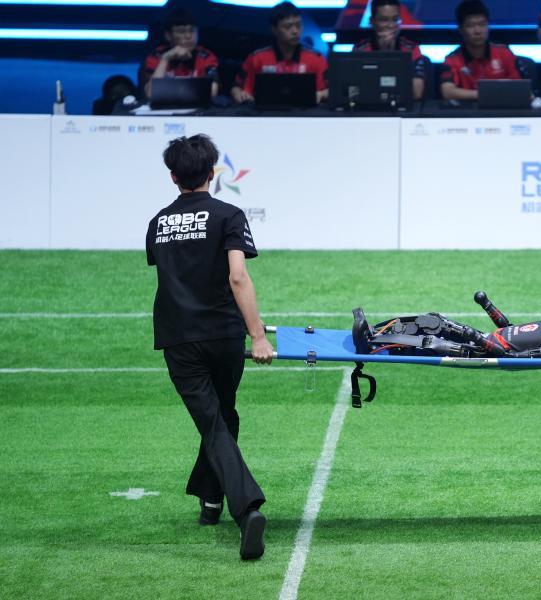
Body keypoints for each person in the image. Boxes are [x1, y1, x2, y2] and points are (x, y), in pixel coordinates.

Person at [146, 134, 274, 560]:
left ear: (173, 176)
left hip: (179, 337)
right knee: (223, 416)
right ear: (213, 172)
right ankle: (223, 502)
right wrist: (257, 334)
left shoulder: (158, 223)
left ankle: (231, 503)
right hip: (223, 336)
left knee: (214, 421)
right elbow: (237, 276)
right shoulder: (228, 215)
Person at [232, 1, 328, 104]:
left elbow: (333, 90)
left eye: (298, 25)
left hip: (308, 113)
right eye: (288, 27)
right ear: (274, 30)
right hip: (265, 113)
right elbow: (236, 88)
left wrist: (322, 94)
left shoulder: (317, 59)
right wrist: (238, 94)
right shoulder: (256, 58)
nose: (295, 31)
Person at [441, 0, 525, 102]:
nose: (478, 31)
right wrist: (486, 94)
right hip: (467, 111)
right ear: (460, 29)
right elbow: (447, 92)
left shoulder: (504, 53)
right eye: (471, 25)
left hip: (502, 109)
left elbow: (521, 88)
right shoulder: (452, 59)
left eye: (482, 24)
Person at [353, 0, 427, 101]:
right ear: (372, 21)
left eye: (395, 19)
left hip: (403, 108)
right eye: (384, 20)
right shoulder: (360, 50)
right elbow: (355, 92)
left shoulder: (412, 49)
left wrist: (391, 55)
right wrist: (382, 54)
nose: (390, 25)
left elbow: (416, 92)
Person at [140, 8, 219, 99]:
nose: (188, 36)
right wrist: (165, 59)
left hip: (197, 106)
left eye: (192, 31)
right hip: (163, 107)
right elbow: (150, 94)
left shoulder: (206, 57)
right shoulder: (155, 57)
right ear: (168, 36)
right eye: (182, 31)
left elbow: (212, 91)